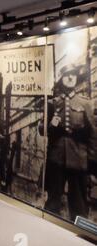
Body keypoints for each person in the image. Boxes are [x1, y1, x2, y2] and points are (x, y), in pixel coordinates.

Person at [40, 64, 94, 221]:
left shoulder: (85, 103)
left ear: (76, 78)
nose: (70, 77)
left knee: (79, 205)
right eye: (66, 75)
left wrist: (91, 163)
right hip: (56, 158)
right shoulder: (52, 103)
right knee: (52, 202)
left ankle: (81, 235)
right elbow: (42, 130)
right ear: (61, 79)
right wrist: (51, 125)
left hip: (78, 159)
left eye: (73, 74)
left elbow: (92, 134)